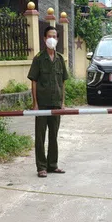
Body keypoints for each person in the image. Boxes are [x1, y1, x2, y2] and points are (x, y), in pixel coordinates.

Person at [28, 26, 69, 178]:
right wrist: (35, 103)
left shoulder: (60, 59)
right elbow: (33, 81)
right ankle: (41, 167)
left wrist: (63, 102)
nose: (52, 38)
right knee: (40, 136)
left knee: (54, 135)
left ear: (57, 39)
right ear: (44, 39)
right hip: (42, 103)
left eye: (54, 36)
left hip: (56, 102)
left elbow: (63, 82)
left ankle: (53, 165)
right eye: (49, 36)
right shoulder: (39, 58)